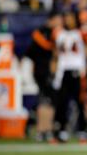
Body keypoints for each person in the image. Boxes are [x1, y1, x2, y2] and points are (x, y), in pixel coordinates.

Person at [50, 11, 87, 144]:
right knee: (62, 103)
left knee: (80, 102)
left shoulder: (82, 33)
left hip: (77, 71)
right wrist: (54, 67)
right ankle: (61, 131)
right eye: (66, 18)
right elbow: (55, 53)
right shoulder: (58, 33)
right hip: (63, 71)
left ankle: (83, 131)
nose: (68, 20)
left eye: (70, 18)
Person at [25, 11, 62, 142]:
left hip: (49, 71)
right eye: (58, 19)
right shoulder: (42, 33)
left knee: (50, 100)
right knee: (45, 99)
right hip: (42, 71)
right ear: (52, 19)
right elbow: (31, 52)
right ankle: (42, 130)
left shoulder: (52, 33)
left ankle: (47, 129)